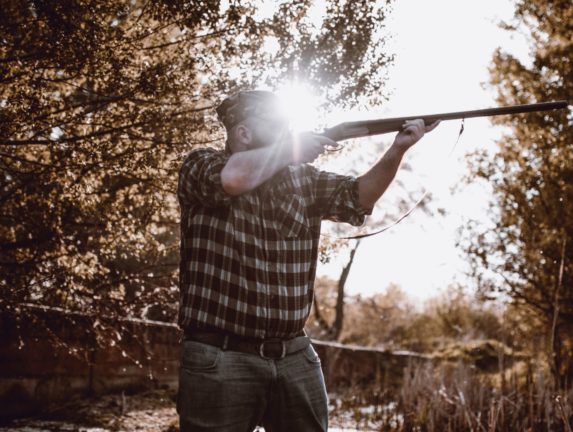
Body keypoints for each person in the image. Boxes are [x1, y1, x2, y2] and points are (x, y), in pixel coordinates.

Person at [176, 90, 437, 431]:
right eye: (278, 124)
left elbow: (358, 197)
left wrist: (399, 147)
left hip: (294, 354)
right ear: (243, 132)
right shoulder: (200, 165)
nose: (288, 130)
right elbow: (235, 178)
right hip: (220, 356)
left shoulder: (304, 180)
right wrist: (292, 149)